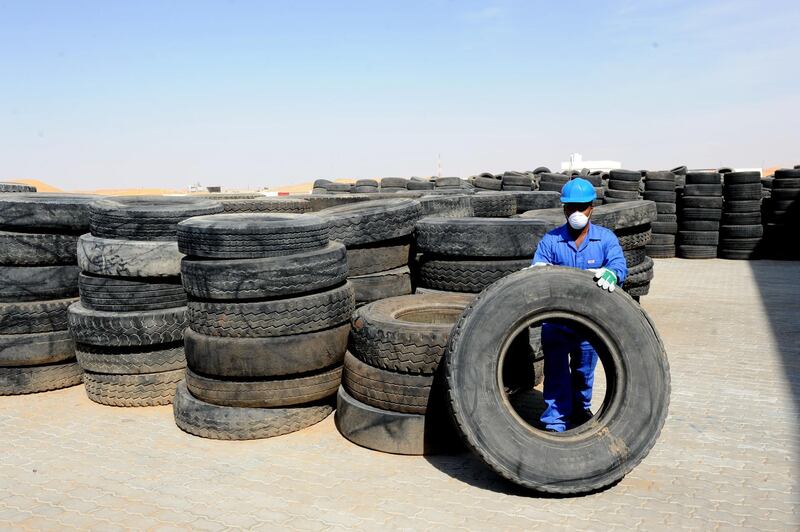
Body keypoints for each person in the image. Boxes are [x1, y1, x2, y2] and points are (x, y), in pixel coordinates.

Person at [530, 177, 627, 432]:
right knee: (557, 374)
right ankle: (555, 421)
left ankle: (580, 408)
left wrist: (613, 274)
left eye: (581, 207)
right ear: (563, 209)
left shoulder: (605, 240)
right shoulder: (551, 241)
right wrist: (537, 271)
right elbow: (536, 269)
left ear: (591, 207)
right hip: (557, 324)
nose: (576, 213)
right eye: (570, 207)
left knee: (584, 372)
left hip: (590, 323)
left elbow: (619, 264)